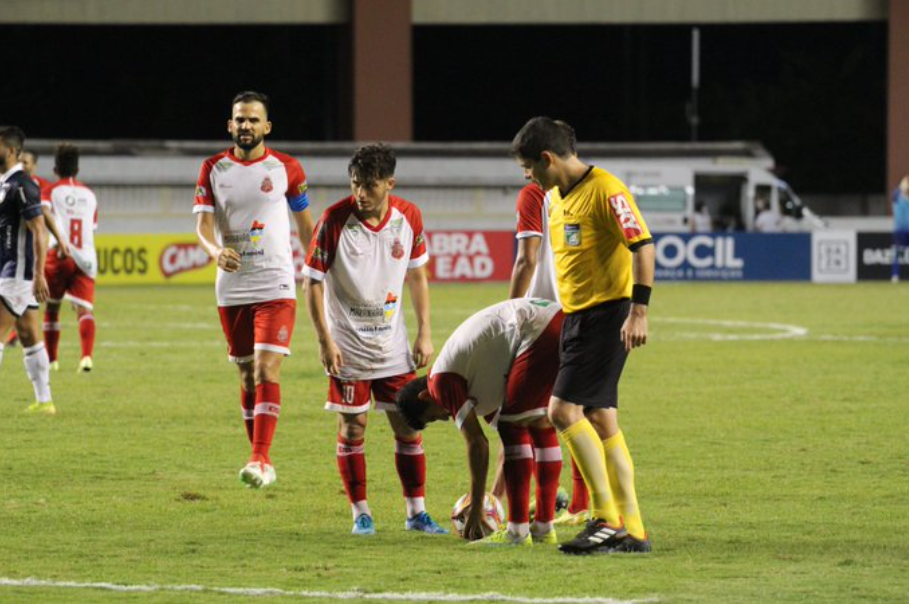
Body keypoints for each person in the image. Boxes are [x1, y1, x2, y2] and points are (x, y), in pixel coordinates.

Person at [512, 116, 654, 555]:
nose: (529, 177)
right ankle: (632, 527)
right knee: (601, 418)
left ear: (548, 158)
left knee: (561, 412)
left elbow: (643, 246)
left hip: (605, 316)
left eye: (530, 168)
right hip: (577, 318)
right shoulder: (556, 197)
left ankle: (605, 518)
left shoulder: (607, 189)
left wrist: (638, 311)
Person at [302, 143, 445, 536]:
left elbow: (417, 275)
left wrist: (425, 332)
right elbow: (311, 283)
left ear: (389, 183)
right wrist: (324, 341)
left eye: (369, 185)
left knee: (409, 426)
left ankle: (416, 512)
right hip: (347, 349)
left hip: (393, 347)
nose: (360, 194)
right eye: (354, 185)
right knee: (354, 428)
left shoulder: (409, 217)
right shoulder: (333, 220)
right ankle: (360, 513)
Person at [194, 91, 315, 488]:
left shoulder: (287, 168)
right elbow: (203, 225)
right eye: (239, 120)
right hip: (232, 286)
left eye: (252, 120)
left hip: (276, 281)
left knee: (267, 368)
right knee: (247, 375)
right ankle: (261, 462)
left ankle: (259, 457)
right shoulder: (212, 168)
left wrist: (316, 270)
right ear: (230, 126)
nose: (245, 126)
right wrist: (215, 251)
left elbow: (304, 226)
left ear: (267, 127)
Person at [396, 298, 565, 546]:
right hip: (557, 320)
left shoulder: (440, 383)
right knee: (537, 426)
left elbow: (478, 444)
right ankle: (543, 527)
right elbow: (513, 448)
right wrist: (495, 497)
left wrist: (476, 508)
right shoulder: (475, 378)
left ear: (425, 396)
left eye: (434, 415)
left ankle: (517, 534)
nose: (445, 417)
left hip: (538, 329)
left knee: (514, 425)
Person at [504, 182, 589, 525]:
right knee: (578, 409)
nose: (526, 173)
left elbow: (527, 258)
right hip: (585, 309)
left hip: (543, 316)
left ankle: (507, 505)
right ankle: (583, 503)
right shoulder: (589, 190)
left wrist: (510, 312)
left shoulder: (534, 194)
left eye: (528, 165)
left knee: (526, 412)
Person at [0, 126, 54, 414]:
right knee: (30, 336)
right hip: (8, 271)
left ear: (10, 150)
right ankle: (45, 402)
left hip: (18, 274)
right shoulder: (5, 183)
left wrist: (39, 274)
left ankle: (45, 400)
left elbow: (39, 230)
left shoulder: (23, 185)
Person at [42, 143, 99, 373]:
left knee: (52, 307)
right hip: (85, 258)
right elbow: (91, 228)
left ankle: (52, 361)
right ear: (77, 169)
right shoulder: (90, 194)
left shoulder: (50, 191)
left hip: (59, 254)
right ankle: (86, 357)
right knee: (84, 310)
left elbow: (43, 215)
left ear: (56, 169)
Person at [891, 176, 909, 283]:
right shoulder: (897, 197)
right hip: (899, 230)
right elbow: (895, 193)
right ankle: (895, 275)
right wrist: (903, 186)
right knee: (896, 253)